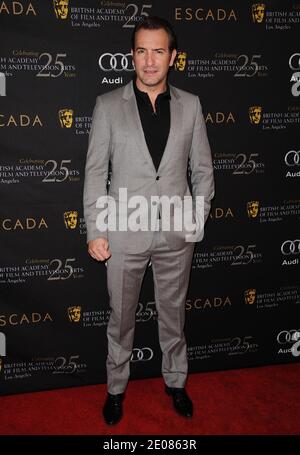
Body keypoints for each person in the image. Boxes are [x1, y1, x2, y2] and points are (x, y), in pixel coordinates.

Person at [83, 16, 214, 425]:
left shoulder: (190, 105)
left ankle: (176, 383)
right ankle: (116, 389)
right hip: (123, 234)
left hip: (176, 233)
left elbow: (203, 171)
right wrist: (97, 230)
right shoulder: (107, 105)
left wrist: (196, 217)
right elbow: (94, 173)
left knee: (173, 314)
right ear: (133, 56)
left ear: (172, 57)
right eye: (142, 50)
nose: (150, 60)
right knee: (121, 318)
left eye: (159, 51)